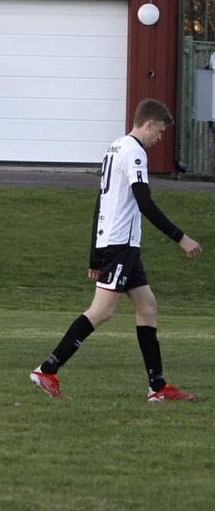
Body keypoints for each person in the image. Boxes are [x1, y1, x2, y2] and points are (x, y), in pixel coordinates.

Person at [30, 98, 202, 401]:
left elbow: (103, 201)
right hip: (120, 244)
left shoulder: (115, 147)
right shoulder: (134, 152)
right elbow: (144, 202)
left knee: (147, 307)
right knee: (102, 310)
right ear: (148, 123)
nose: (159, 138)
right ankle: (47, 369)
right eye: (160, 131)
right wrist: (180, 237)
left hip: (121, 245)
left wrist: (94, 255)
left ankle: (158, 387)